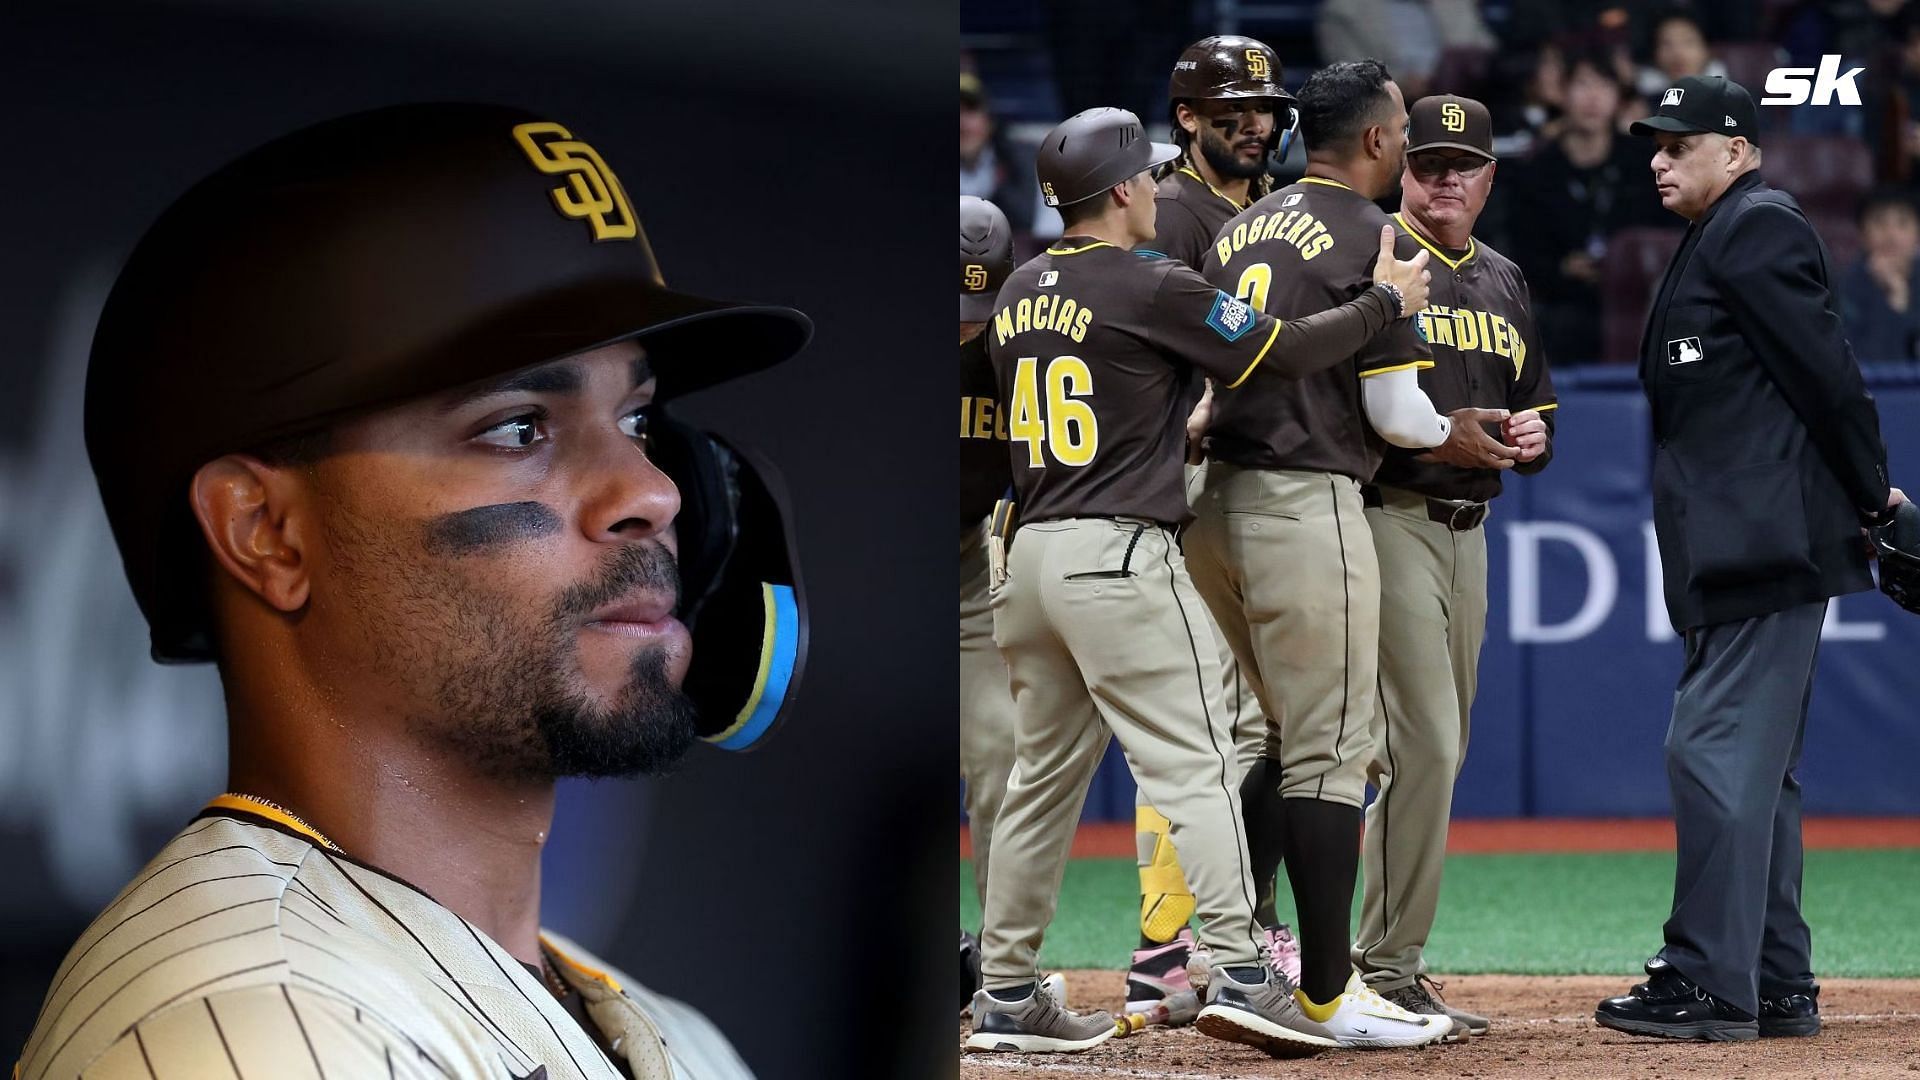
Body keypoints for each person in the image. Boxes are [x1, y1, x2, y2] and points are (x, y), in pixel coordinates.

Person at [16, 103, 813, 1079]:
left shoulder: (668, 1036)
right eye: (520, 426)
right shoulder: (244, 1028)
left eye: (639, 420)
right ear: (265, 533)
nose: (651, 491)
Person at [966, 105, 1432, 1058]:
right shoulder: (1147, 282)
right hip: (1118, 550)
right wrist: (1384, 303)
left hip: (1029, 552)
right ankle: (1241, 969)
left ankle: (1007, 993)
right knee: (1202, 762)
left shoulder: (1017, 287)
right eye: (1151, 174)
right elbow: (1285, 351)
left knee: (1037, 783)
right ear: (1130, 189)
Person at [1190, 59, 1511, 1051]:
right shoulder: (1373, 239)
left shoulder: (1240, 225)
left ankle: (1247, 957)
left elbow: (1201, 372)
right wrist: (1455, 430)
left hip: (1211, 510)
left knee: (1282, 738)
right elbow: (1394, 413)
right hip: (1304, 497)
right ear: (1379, 141)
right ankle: (1330, 996)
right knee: (1331, 752)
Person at [1598, 73, 1906, 1042]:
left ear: (1736, 149)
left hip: (1766, 541)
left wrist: (1874, 496)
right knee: (1755, 766)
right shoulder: (1715, 235)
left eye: (1679, 142)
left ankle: (1706, 980)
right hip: (1739, 544)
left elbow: (1828, 376)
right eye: (1654, 142)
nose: (1658, 157)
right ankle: (1773, 979)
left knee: (1713, 752)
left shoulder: (1757, 224)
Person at [1351, 93, 1558, 1040]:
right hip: (1388, 514)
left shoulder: (1507, 278)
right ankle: (1383, 967)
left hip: (1469, 532)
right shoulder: (1377, 258)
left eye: (1462, 165)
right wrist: (1450, 444)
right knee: (1424, 744)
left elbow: (1537, 413)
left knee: (1443, 744)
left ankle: (1386, 961)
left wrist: (1528, 439)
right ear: (1401, 167)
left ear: (1489, 177)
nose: (1444, 178)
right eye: (1429, 162)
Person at [1124, 33, 1301, 1029]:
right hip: (1185, 480)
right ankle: (1168, 944)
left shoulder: (1276, 212)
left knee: (1262, 723)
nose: (1256, 124)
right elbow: (1141, 344)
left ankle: (1219, 934)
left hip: (1261, 478)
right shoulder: (1168, 209)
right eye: (1233, 110)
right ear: (1187, 118)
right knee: (1195, 719)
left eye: (1267, 108)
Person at [1505, 49, 1672, 365]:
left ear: (1617, 97)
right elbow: (1522, 251)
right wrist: (1563, 269)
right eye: (1582, 85)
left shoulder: (1646, 163)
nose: (1593, 98)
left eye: (1604, 86)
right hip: (1564, 302)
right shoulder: (1535, 170)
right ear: (1562, 93)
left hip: (1641, 295)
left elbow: (1667, 232)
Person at [959, 193, 1018, 1007]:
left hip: (971, 561)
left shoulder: (1017, 346)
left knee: (1001, 756)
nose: (966, 321)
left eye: (982, 304)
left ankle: (1006, 971)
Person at [1838, 187, 1920, 361]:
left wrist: (1901, 300)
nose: (1891, 235)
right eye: (1879, 222)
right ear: (1862, 234)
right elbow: (1865, 358)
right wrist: (1891, 300)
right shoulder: (1844, 286)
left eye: (1903, 223)